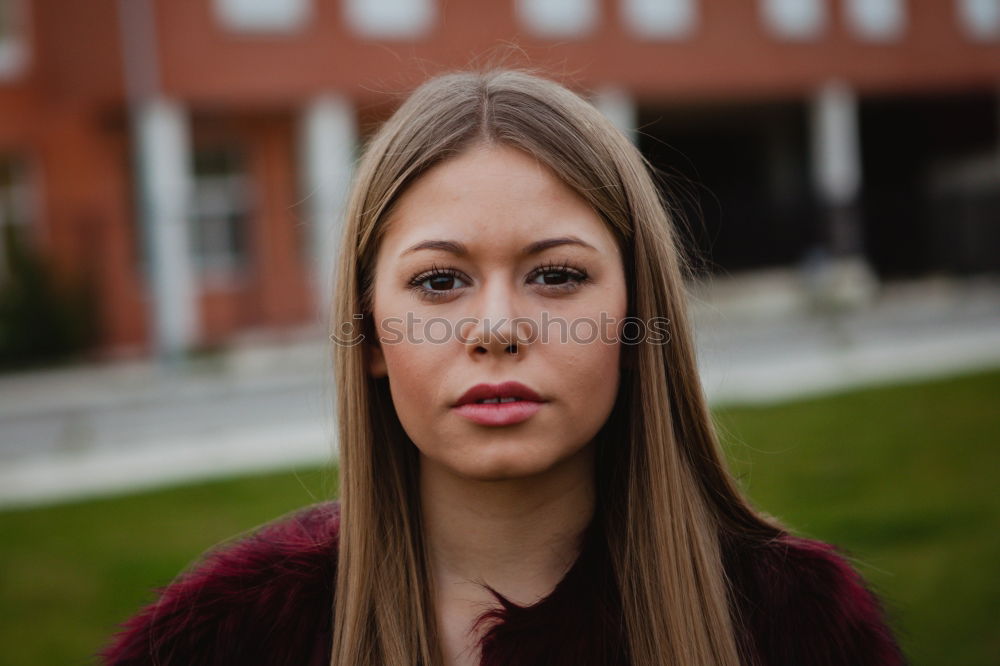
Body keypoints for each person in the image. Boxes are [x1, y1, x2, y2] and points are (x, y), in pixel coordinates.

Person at [99, 69, 906, 666]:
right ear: (371, 334)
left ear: (636, 318)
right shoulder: (225, 638)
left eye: (556, 274)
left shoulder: (796, 625)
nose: (496, 330)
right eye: (439, 281)